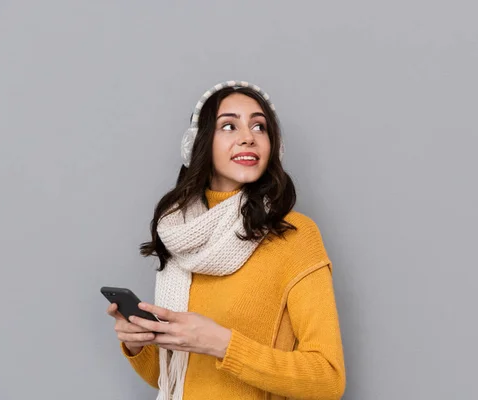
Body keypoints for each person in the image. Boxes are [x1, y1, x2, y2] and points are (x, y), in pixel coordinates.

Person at [106, 81, 346, 400]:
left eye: (259, 126)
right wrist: (138, 342)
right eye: (229, 126)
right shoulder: (183, 234)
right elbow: (170, 378)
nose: (248, 137)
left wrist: (221, 343)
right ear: (201, 144)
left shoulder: (294, 235)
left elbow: (327, 379)